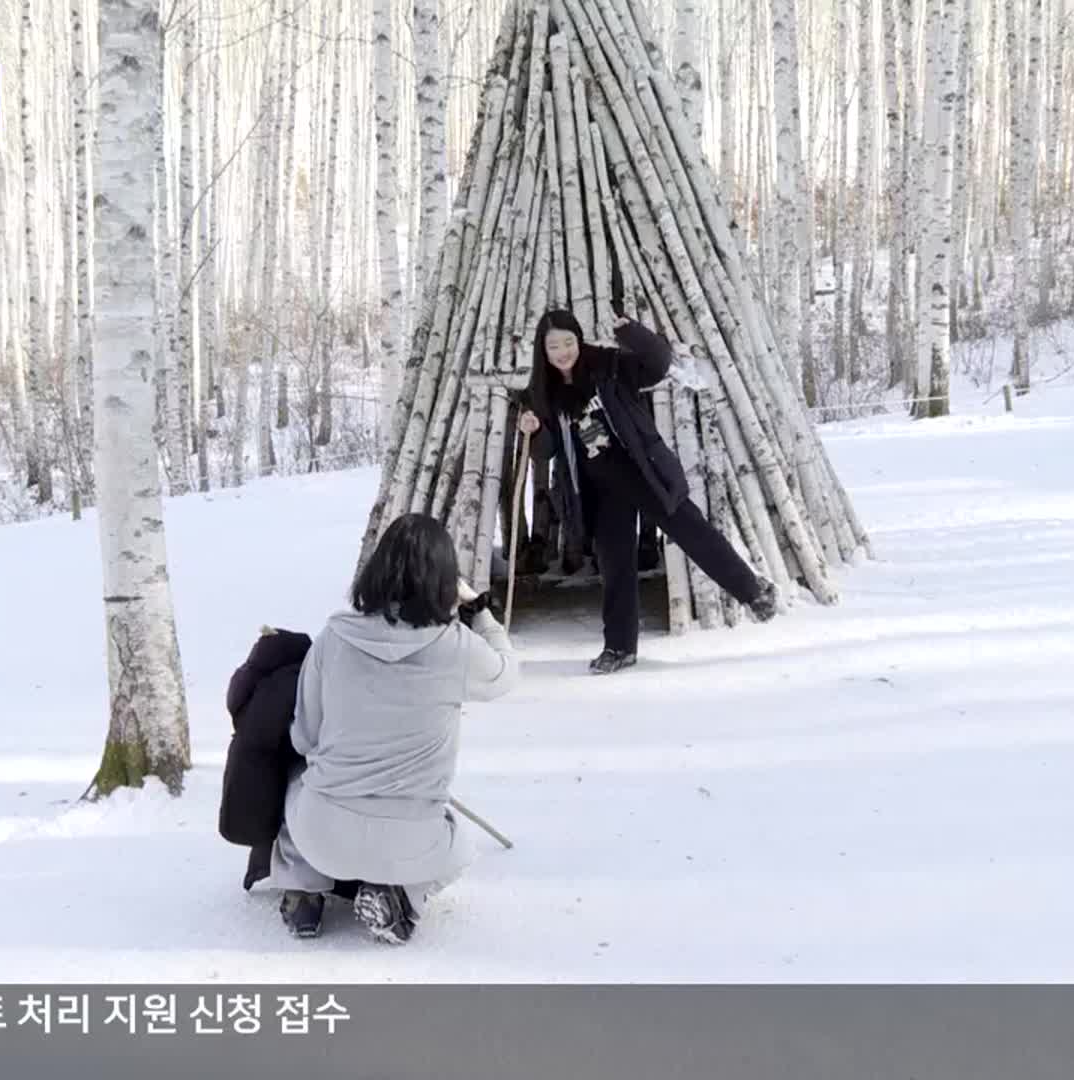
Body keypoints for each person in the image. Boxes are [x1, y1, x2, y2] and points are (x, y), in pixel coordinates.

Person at [267, 512, 519, 943]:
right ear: (446, 582)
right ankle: (400, 898)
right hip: (414, 842)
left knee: (298, 776)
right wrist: (479, 613)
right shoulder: (456, 649)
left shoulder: (334, 637)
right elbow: (505, 674)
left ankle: (303, 892)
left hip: (323, 834)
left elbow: (305, 736)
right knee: (461, 848)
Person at [518, 309, 778, 674]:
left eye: (568, 342)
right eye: (553, 346)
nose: (562, 352)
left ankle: (753, 591)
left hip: (643, 471)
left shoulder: (609, 365)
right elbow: (545, 452)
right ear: (542, 351)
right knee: (615, 566)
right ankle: (620, 647)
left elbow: (657, 364)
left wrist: (632, 332)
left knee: (692, 530)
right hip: (600, 489)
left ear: (579, 341)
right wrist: (532, 428)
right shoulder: (545, 392)